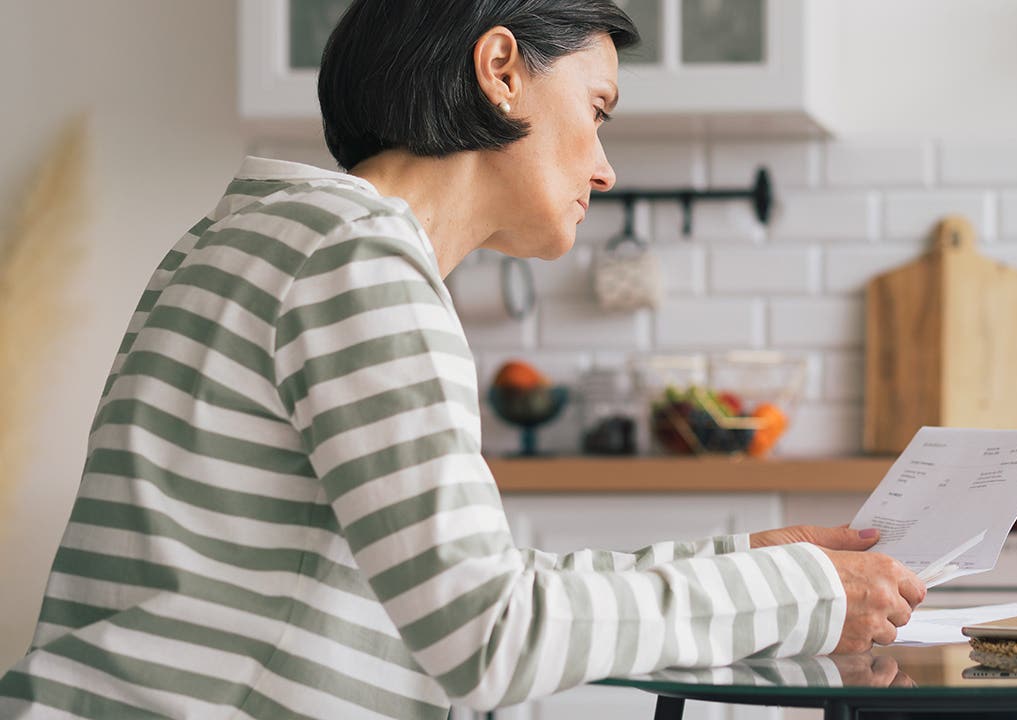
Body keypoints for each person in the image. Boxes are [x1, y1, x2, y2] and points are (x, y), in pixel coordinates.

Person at [0, 1, 925, 717]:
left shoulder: (259, 238)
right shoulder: (355, 260)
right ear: (500, 71)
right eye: (596, 110)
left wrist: (736, 561)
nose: (604, 167)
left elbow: (465, 592)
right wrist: (794, 593)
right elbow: (490, 639)